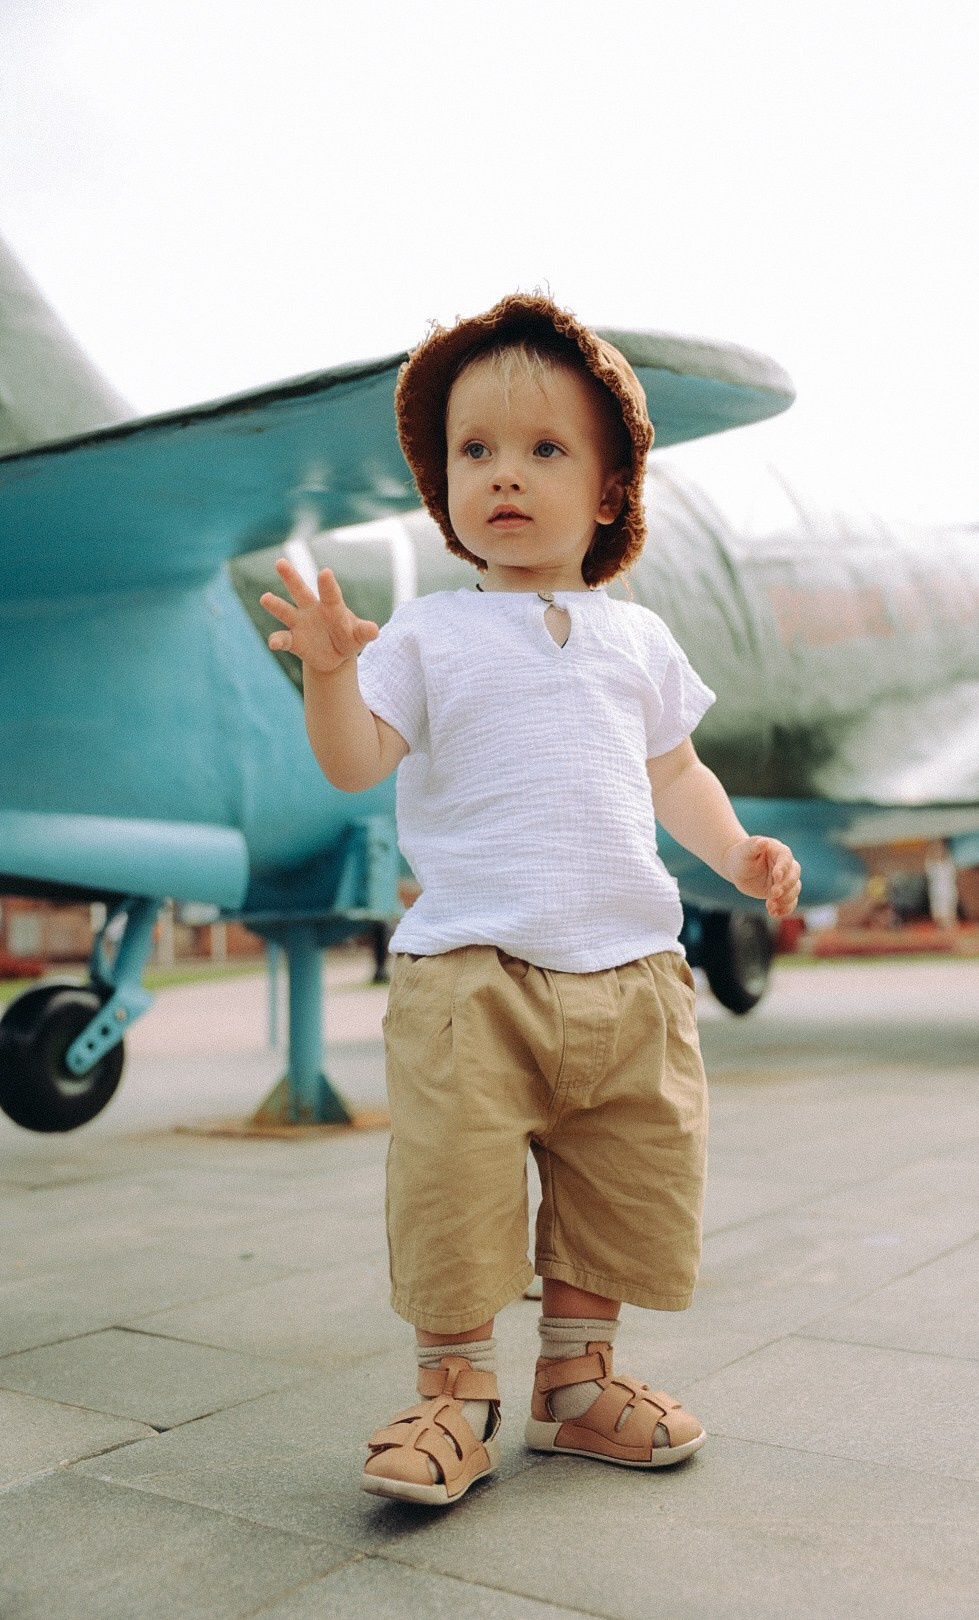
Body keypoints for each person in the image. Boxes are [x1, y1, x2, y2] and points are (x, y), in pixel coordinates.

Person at [260, 294, 801, 1506]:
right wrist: (335, 679)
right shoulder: (429, 637)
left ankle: (574, 1385)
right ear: (443, 483)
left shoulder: (641, 642)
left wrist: (735, 851)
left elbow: (676, 770)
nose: (505, 476)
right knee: (454, 1188)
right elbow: (355, 762)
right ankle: (455, 1394)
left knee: (619, 1178)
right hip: (471, 977)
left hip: (632, 972)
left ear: (611, 492)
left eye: (546, 450)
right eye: (475, 452)